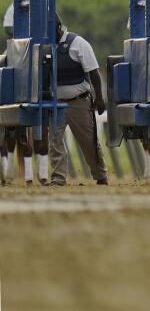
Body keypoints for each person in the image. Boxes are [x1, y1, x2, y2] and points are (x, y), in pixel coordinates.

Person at [48, 15, 108, 186]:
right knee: (55, 141)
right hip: (56, 104)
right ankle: (58, 178)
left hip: (79, 102)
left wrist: (100, 98)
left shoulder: (79, 43)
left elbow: (94, 73)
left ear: (58, 27)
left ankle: (101, 175)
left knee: (88, 142)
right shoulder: (45, 46)